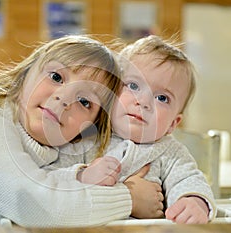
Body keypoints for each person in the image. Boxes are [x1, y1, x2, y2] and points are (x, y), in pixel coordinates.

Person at [0, 35, 163, 226]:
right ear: (25, 74)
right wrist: (129, 198)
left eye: (84, 102)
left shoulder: (52, 155)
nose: (64, 99)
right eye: (56, 77)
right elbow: (36, 205)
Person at [46, 35, 217, 224]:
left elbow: (188, 179)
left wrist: (194, 201)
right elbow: (50, 178)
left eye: (162, 98)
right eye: (133, 86)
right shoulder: (87, 136)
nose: (143, 102)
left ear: (173, 124)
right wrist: (82, 175)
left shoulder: (169, 152)